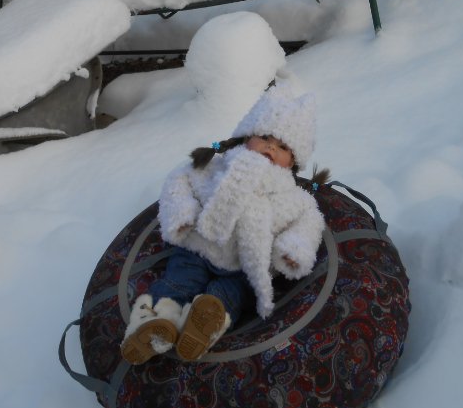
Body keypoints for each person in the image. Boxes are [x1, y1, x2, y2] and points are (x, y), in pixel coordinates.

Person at [121, 84, 328, 365]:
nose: (270, 147)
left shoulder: (293, 198)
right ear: (246, 137)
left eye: (282, 146)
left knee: (229, 295)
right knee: (177, 283)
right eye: (265, 136)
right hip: (197, 250)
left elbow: (309, 222)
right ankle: (156, 323)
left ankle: (205, 322)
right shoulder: (216, 167)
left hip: (243, 265)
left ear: (293, 161)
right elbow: (179, 180)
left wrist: (293, 250)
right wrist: (183, 212)